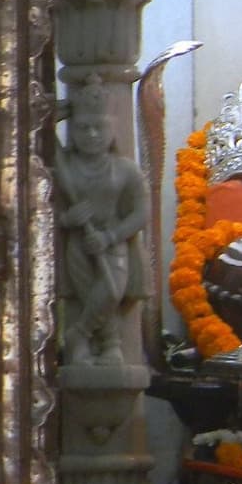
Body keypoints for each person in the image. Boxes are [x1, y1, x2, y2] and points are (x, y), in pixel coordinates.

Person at [55, 77, 149, 363]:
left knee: (111, 292)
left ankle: (79, 335)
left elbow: (141, 213)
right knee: (88, 295)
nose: (92, 134)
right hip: (79, 244)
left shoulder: (125, 170)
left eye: (100, 127)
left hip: (112, 241)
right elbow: (42, 126)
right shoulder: (65, 166)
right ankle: (109, 344)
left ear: (112, 130)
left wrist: (110, 237)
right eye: (83, 127)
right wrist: (68, 219)